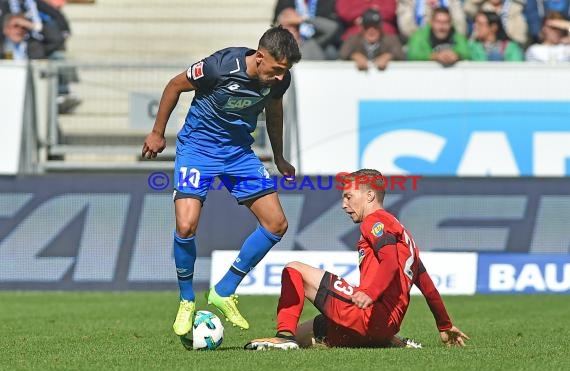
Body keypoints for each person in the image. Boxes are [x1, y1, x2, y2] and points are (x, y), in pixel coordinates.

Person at [141, 26, 301, 337]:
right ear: (259, 57)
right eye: (277, 69)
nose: (281, 77)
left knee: (276, 224)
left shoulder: (279, 81)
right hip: (197, 150)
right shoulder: (219, 66)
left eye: (286, 71)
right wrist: (158, 133)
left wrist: (279, 158)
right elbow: (175, 85)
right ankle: (186, 299)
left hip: (238, 153)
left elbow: (275, 114)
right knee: (186, 225)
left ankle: (224, 290)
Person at [245, 169, 469, 350]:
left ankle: (284, 336)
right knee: (310, 334)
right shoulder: (405, 237)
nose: (344, 204)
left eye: (348, 196)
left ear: (370, 195)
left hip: (368, 314)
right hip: (383, 328)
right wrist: (444, 325)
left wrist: (370, 292)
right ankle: (393, 342)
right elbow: (429, 288)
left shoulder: (375, 221)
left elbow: (389, 261)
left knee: (294, 269)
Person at [339, 8, 405, 71]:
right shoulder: (353, 40)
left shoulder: (391, 40)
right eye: (367, 27)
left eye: (375, 27)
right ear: (362, 28)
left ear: (381, 28)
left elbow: (401, 56)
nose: (371, 31)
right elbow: (342, 55)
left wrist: (389, 56)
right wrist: (354, 56)